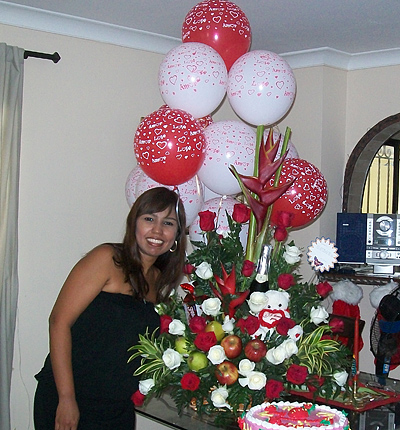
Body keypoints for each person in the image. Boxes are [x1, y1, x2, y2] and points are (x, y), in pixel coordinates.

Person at [34, 187, 186, 430]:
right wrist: (66, 398)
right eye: (149, 219)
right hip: (72, 400)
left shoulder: (159, 283)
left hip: (117, 409)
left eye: (168, 223)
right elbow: (58, 322)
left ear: (177, 234)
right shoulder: (107, 258)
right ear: (134, 223)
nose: (157, 230)